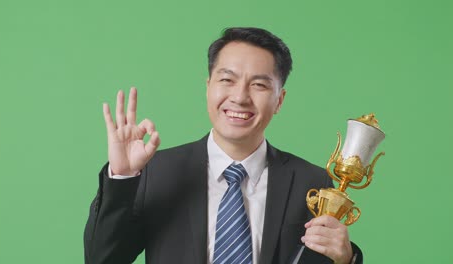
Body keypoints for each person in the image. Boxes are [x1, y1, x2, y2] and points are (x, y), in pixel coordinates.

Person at [84, 27, 363, 264]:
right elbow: (102, 259)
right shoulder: (156, 172)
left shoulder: (311, 182)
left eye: (259, 85)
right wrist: (121, 177)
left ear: (279, 100)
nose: (240, 97)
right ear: (208, 86)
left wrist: (346, 258)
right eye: (227, 80)